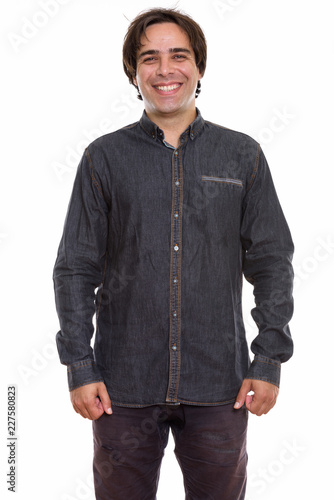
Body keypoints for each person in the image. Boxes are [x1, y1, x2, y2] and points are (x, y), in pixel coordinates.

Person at [53, 7, 294, 500]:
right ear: (133, 72)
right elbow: (76, 267)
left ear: (199, 67)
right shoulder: (103, 158)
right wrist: (80, 366)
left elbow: (271, 262)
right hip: (121, 387)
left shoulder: (242, 155)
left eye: (178, 55)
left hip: (220, 385)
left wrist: (268, 358)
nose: (165, 70)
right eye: (149, 58)